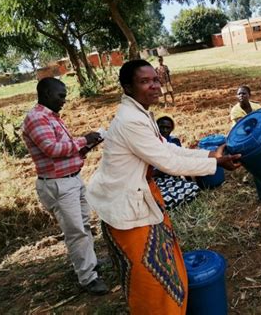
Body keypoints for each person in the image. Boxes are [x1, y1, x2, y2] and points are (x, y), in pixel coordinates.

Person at [86, 60, 240, 313]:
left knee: (162, 274)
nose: (154, 86)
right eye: (145, 82)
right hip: (127, 211)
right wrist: (216, 164)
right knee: (152, 284)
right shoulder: (130, 121)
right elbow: (167, 162)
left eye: (155, 79)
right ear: (127, 87)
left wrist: (209, 156)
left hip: (139, 203)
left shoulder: (140, 113)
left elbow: (166, 148)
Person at [21, 77, 108, 295]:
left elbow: (63, 151)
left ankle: (90, 265)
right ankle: (87, 278)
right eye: (61, 95)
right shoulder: (36, 118)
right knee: (75, 231)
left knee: (84, 226)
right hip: (59, 185)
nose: (64, 100)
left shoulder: (51, 117)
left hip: (71, 179)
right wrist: (83, 139)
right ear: (47, 93)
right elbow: (51, 148)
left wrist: (87, 146)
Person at [154, 115, 201, 210]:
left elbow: (181, 160)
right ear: (156, 127)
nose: (165, 130)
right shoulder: (150, 142)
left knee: (193, 187)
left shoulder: (174, 141)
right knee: (158, 197)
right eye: (161, 127)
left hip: (173, 178)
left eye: (168, 128)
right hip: (157, 180)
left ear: (172, 129)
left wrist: (189, 180)